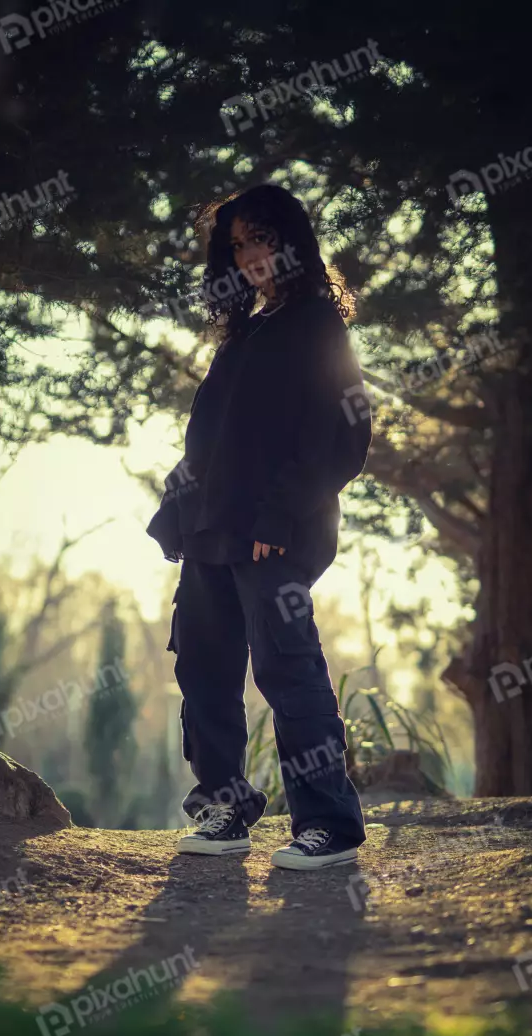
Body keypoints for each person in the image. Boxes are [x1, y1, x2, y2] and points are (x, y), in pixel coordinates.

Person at [146, 183, 372, 870]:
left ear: (291, 241)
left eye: (261, 239)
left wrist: (278, 513)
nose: (250, 256)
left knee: (287, 670)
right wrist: (177, 508)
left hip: (276, 532)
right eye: (238, 244)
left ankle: (328, 824)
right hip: (211, 533)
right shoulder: (244, 334)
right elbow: (207, 441)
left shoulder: (317, 325)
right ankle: (226, 807)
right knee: (205, 670)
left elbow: (345, 432)